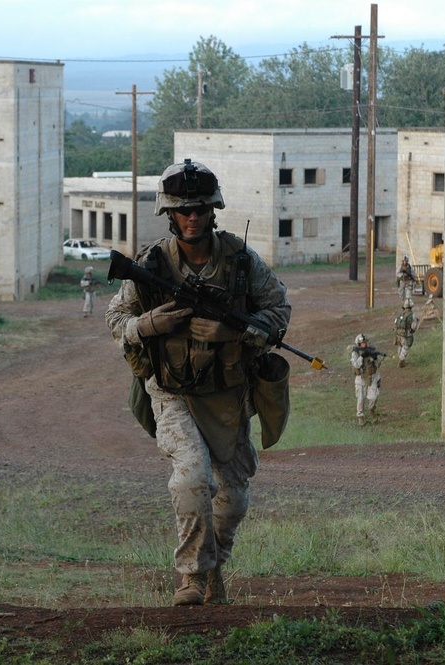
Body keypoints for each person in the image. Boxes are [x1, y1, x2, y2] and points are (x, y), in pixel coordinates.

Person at [106, 158, 291, 607]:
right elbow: (117, 320)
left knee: (233, 500)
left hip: (229, 396)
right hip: (172, 395)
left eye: (201, 209)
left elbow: (279, 314)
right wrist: (148, 323)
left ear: (214, 211)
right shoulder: (151, 266)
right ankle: (190, 577)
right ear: (170, 214)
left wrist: (234, 331)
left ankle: (213, 569)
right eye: (183, 209)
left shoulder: (241, 263)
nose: (192, 217)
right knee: (191, 479)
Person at [350, 333, 382, 426]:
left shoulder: (371, 350)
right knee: (360, 398)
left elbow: (378, 364)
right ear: (359, 344)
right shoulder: (355, 352)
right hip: (360, 378)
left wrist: (375, 358)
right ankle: (360, 417)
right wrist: (362, 356)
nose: (364, 344)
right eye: (362, 343)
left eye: (365, 342)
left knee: (373, 397)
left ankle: (372, 410)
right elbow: (356, 365)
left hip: (373, 376)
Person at [394, 299, 420, 368]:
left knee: (400, 346)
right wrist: (412, 331)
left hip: (398, 333)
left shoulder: (401, 314)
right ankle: (401, 360)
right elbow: (413, 326)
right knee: (406, 346)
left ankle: (400, 357)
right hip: (406, 334)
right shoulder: (412, 315)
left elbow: (395, 323)